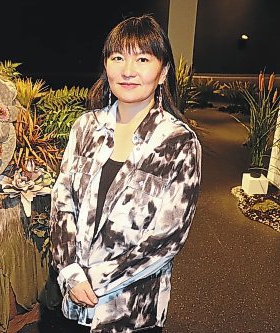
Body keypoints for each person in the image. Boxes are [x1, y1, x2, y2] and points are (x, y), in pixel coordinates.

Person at [49, 15, 202, 333]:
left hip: (131, 309)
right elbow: (62, 202)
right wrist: (70, 273)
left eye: (142, 58)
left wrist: (94, 280)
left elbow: (167, 238)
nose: (128, 70)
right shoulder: (86, 127)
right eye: (118, 57)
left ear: (162, 73)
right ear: (106, 66)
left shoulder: (178, 142)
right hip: (73, 301)